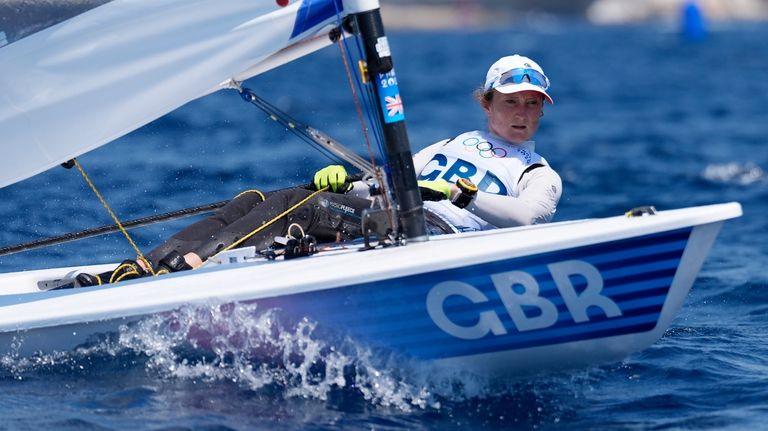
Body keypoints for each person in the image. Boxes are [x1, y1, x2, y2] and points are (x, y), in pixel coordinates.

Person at [75, 54, 561, 286]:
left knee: (305, 207)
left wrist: (460, 195)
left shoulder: (538, 172)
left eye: (531, 105)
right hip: (384, 214)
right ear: (487, 102)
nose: (520, 113)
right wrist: (352, 182)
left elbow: (525, 219)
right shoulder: (454, 143)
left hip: (432, 232)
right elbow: (386, 181)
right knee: (256, 201)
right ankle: (142, 267)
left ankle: (186, 272)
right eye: (510, 101)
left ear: (541, 111)